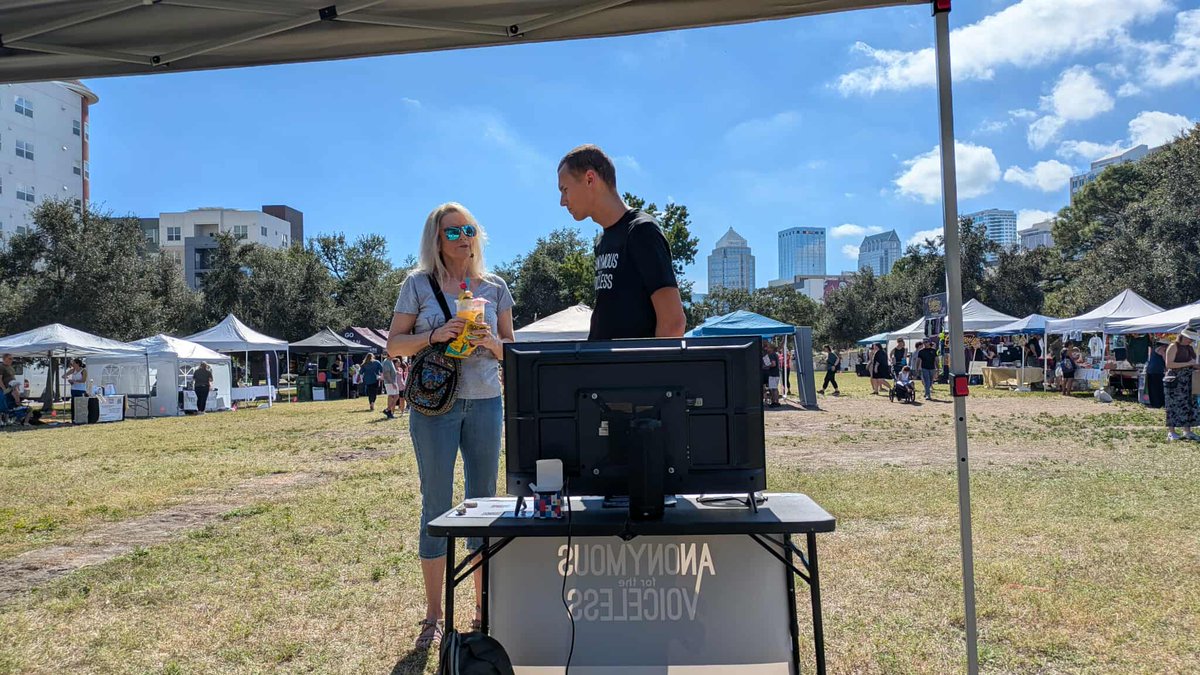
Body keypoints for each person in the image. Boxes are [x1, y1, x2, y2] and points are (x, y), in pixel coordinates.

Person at [386, 202, 515, 649]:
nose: (463, 238)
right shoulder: (417, 285)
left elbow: (511, 357)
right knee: (435, 504)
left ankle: (482, 609)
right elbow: (393, 346)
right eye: (453, 232)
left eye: (469, 229)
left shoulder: (496, 287)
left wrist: (491, 341)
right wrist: (435, 334)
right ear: (436, 239)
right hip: (433, 406)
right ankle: (434, 615)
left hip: (484, 403)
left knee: (483, 506)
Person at [557, 144, 685, 339]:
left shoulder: (641, 230)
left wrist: (650, 369)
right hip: (602, 367)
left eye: (565, 189)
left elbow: (674, 323)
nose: (562, 201)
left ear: (590, 179)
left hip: (630, 369)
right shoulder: (602, 240)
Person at [1163, 329, 1200, 441]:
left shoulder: (1190, 348)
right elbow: (1169, 364)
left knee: (1188, 405)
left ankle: (1187, 431)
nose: (1191, 340)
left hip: (1188, 381)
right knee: (1173, 406)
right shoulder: (1173, 346)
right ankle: (1171, 432)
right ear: (1183, 336)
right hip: (1175, 381)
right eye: (1190, 338)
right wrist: (1188, 363)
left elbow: (1193, 363)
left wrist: (1196, 365)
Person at [1145, 339, 1167, 409]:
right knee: (1159, 388)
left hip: (1151, 370)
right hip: (1158, 370)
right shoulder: (1162, 350)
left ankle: (1154, 403)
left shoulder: (1155, 349)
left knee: (1153, 388)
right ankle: (1158, 404)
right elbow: (1165, 360)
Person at [762, 341, 781, 407]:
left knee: (773, 389)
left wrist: (765, 366)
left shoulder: (771, 355)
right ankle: (776, 402)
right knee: (775, 388)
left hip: (773, 374)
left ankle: (774, 403)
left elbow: (773, 364)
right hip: (776, 374)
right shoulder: (775, 354)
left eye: (768, 348)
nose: (767, 349)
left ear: (771, 349)